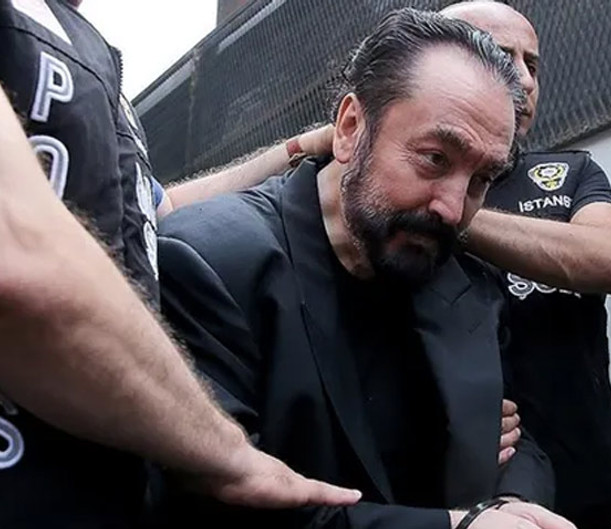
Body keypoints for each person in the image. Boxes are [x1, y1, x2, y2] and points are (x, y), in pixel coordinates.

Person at [156, 9, 573, 529]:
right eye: (435, 159)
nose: (453, 208)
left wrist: (512, 507)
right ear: (351, 127)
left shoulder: (464, 281)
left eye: (482, 179)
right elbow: (218, 505)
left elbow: (517, 440)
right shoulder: (211, 262)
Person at [0, 0, 359, 526]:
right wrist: (226, 452)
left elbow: (157, 208)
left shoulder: (84, 47)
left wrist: (299, 146)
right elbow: (20, 260)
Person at [441, 3, 611, 528]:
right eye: (500, 56)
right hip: (463, 499)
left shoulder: (569, 172)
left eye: (532, 64)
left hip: (587, 479)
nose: (525, 80)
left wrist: (451, 217)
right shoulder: (398, 188)